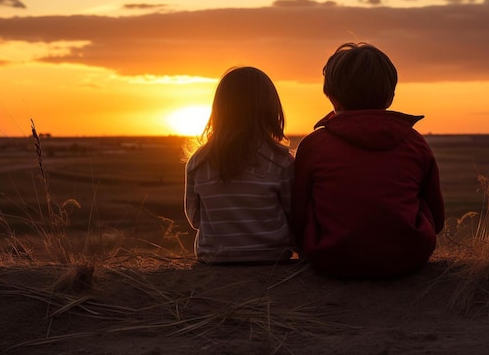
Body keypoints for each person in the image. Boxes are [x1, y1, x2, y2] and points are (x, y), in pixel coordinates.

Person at [292, 42, 445, 279]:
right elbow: (437, 217)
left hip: (331, 259)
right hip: (408, 259)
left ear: (330, 95)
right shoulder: (415, 142)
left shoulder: (314, 145)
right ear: (390, 95)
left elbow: (298, 216)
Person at [184, 66, 294, 264]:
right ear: (271, 109)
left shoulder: (198, 162)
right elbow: (293, 213)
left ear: (219, 110)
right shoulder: (281, 161)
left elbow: (195, 219)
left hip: (215, 257)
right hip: (271, 257)